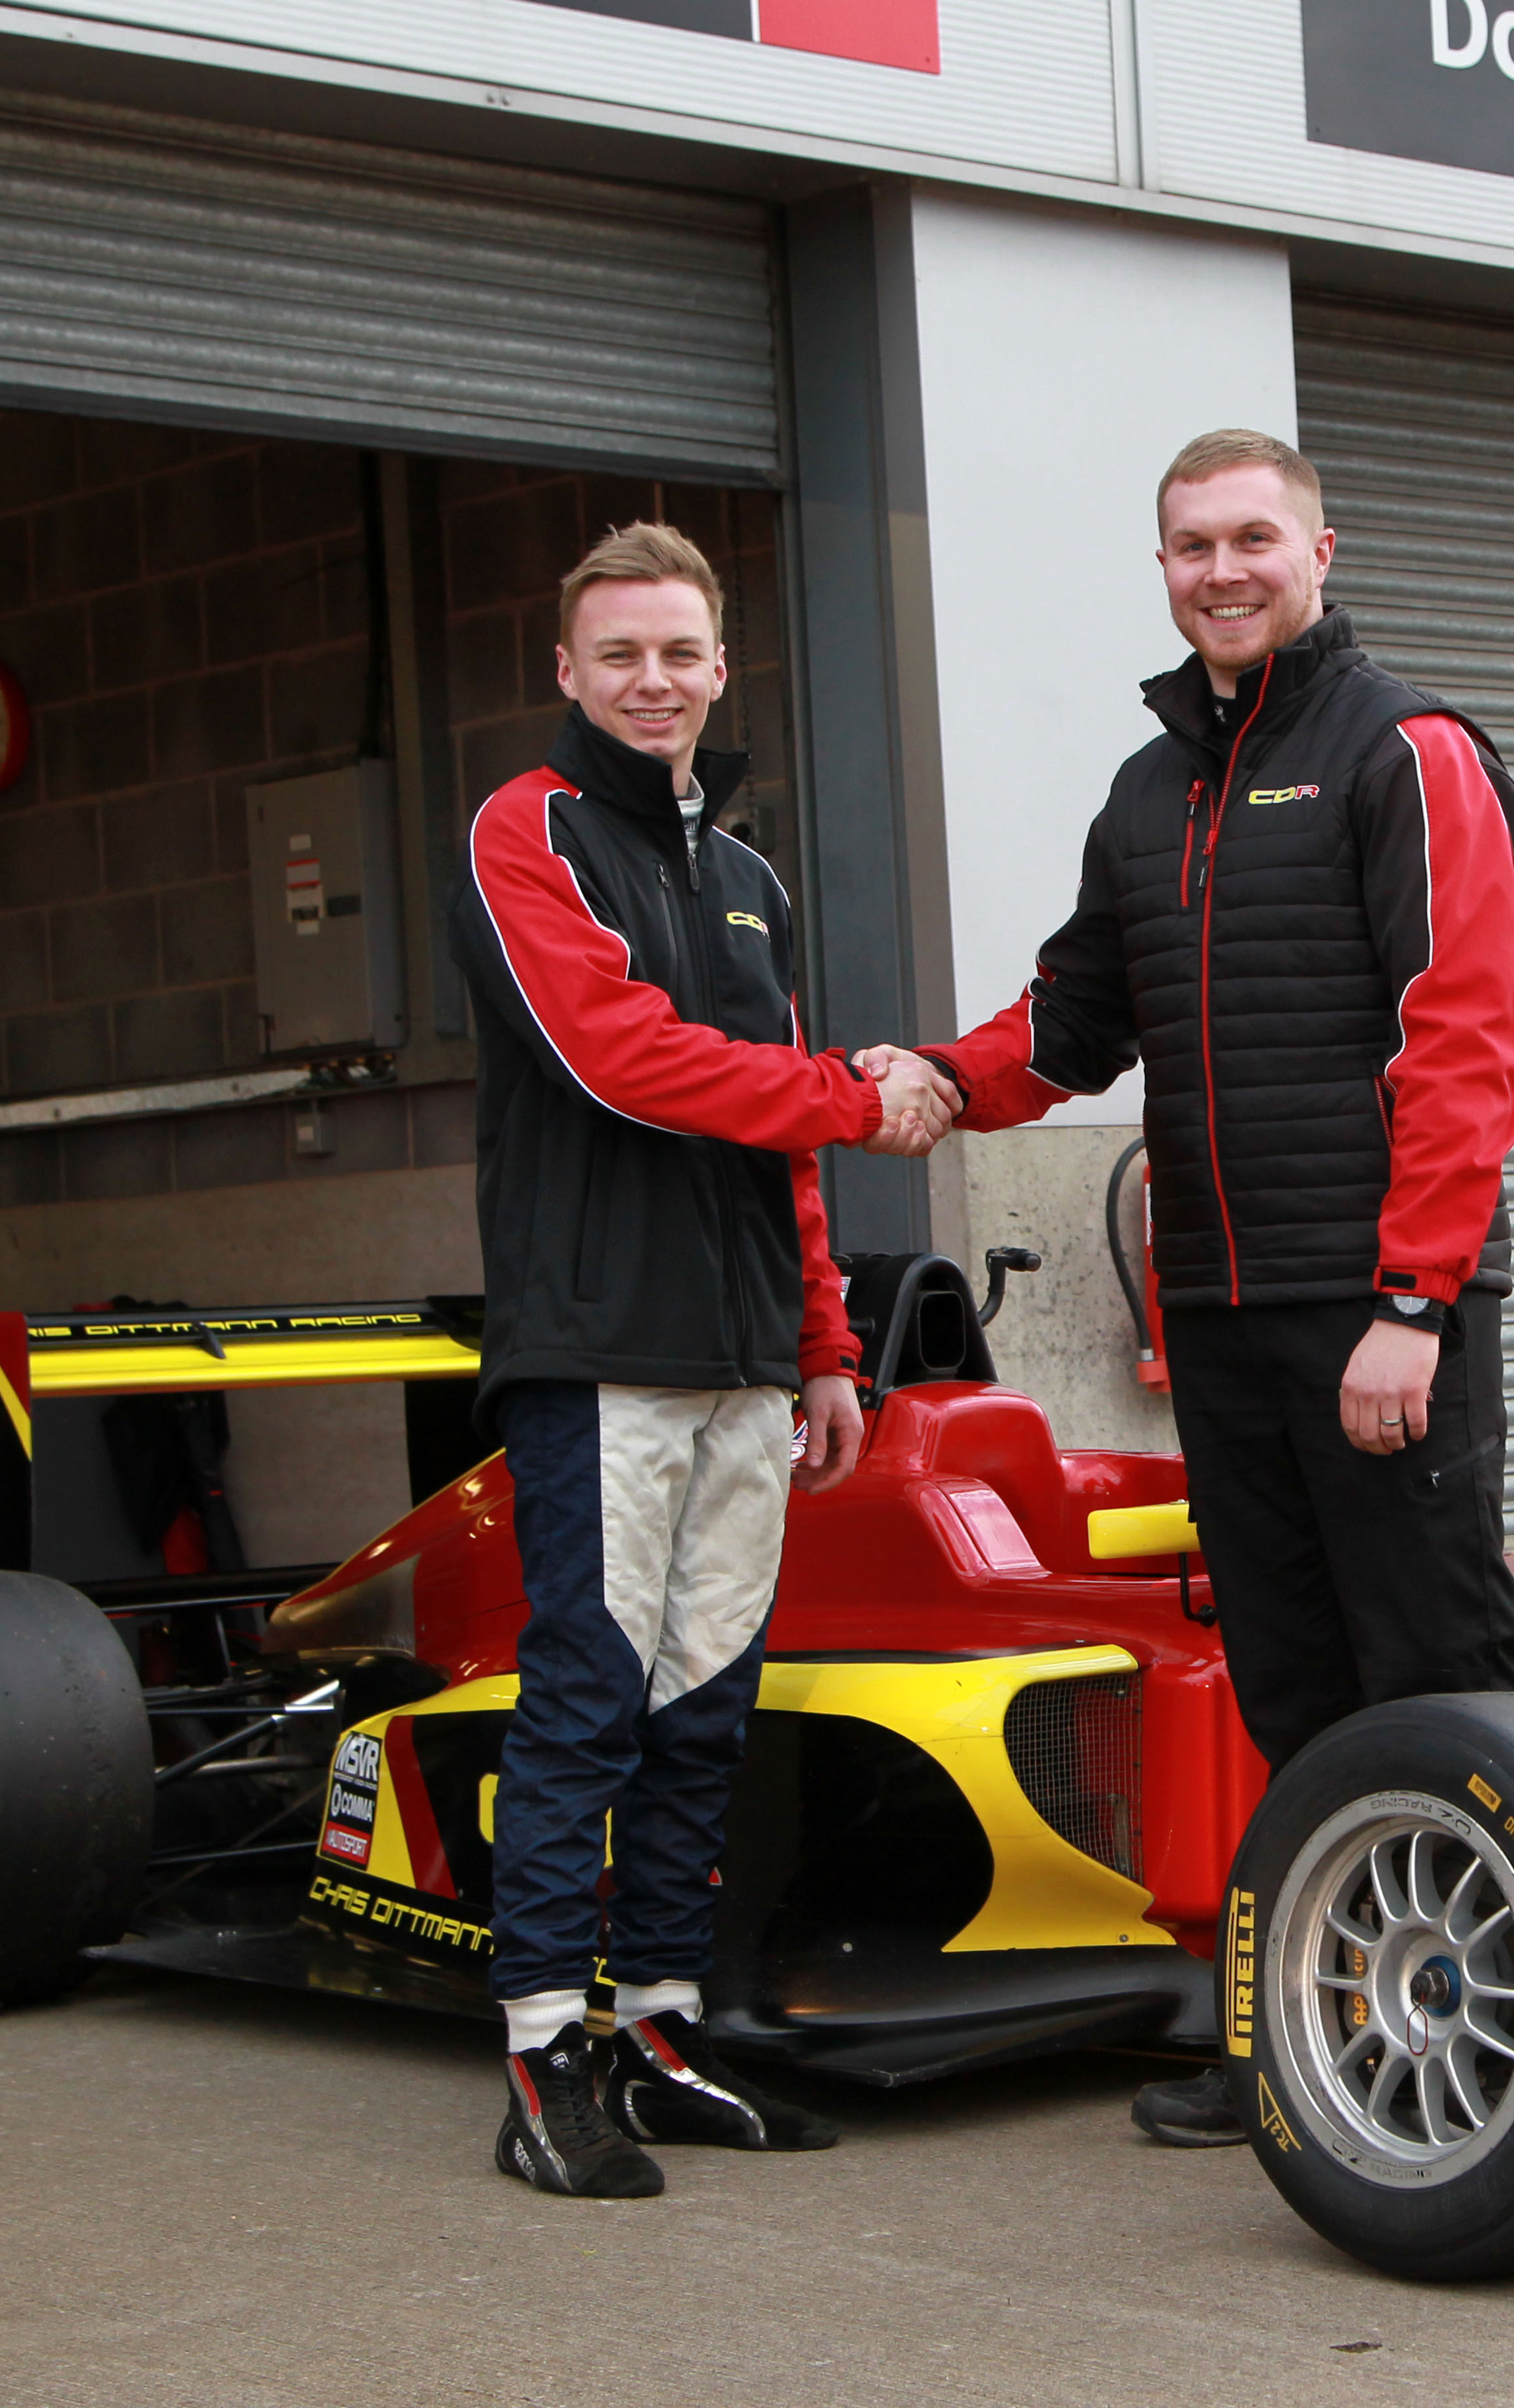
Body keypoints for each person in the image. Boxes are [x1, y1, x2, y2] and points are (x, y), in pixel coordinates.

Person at [867, 429, 1514, 2147]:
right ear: (1162, 568)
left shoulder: (1406, 751)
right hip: (1224, 1319)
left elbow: (1466, 1039)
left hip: (1372, 1315)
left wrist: (1414, 1304)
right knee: (1293, 1696)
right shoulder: (1149, 791)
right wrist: (936, 1078)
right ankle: (1320, 2051)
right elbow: (1074, 1021)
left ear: (1321, 551)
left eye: (1251, 539)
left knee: (1439, 1687)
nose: (1221, 571)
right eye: (1191, 546)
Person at [444, 521, 940, 2199]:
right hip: (598, 1352)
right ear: (567, 669)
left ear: (722, 669)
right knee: (585, 1705)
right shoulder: (526, 832)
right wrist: (857, 1095)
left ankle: (660, 2037)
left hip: (743, 1368)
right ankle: (541, 2061)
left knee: (704, 1712)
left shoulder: (750, 878)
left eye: (679, 653)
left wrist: (825, 1345)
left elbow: (775, 1141)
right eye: (620, 655)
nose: (651, 681)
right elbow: (622, 1059)